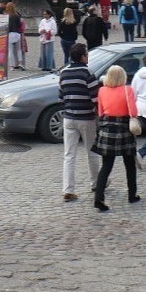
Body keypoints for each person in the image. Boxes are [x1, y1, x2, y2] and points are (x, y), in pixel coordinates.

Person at [93, 65, 140, 212]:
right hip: (124, 128)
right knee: (129, 163)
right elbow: (133, 112)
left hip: (107, 128)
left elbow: (100, 112)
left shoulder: (102, 90)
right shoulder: (128, 90)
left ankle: (98, 198)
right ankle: (132, 194)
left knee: (106, 165)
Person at [59, 43, 101, 202]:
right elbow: (95, 98)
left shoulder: (64, 73)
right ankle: (95, 183)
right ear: (83, 57)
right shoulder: (87, 73)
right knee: (92, 152)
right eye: (86, 54)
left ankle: (68, 189)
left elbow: (61, 96)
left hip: (69, 118)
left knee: (69, 155)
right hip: (86, 117)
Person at [5, 3, 25, 70]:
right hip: (17, 33)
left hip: (10, 34)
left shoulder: (7, 16)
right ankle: (20, 63)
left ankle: (12, 66)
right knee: (19, 49)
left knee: (11, 50)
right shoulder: (17, 15)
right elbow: (19, 25)